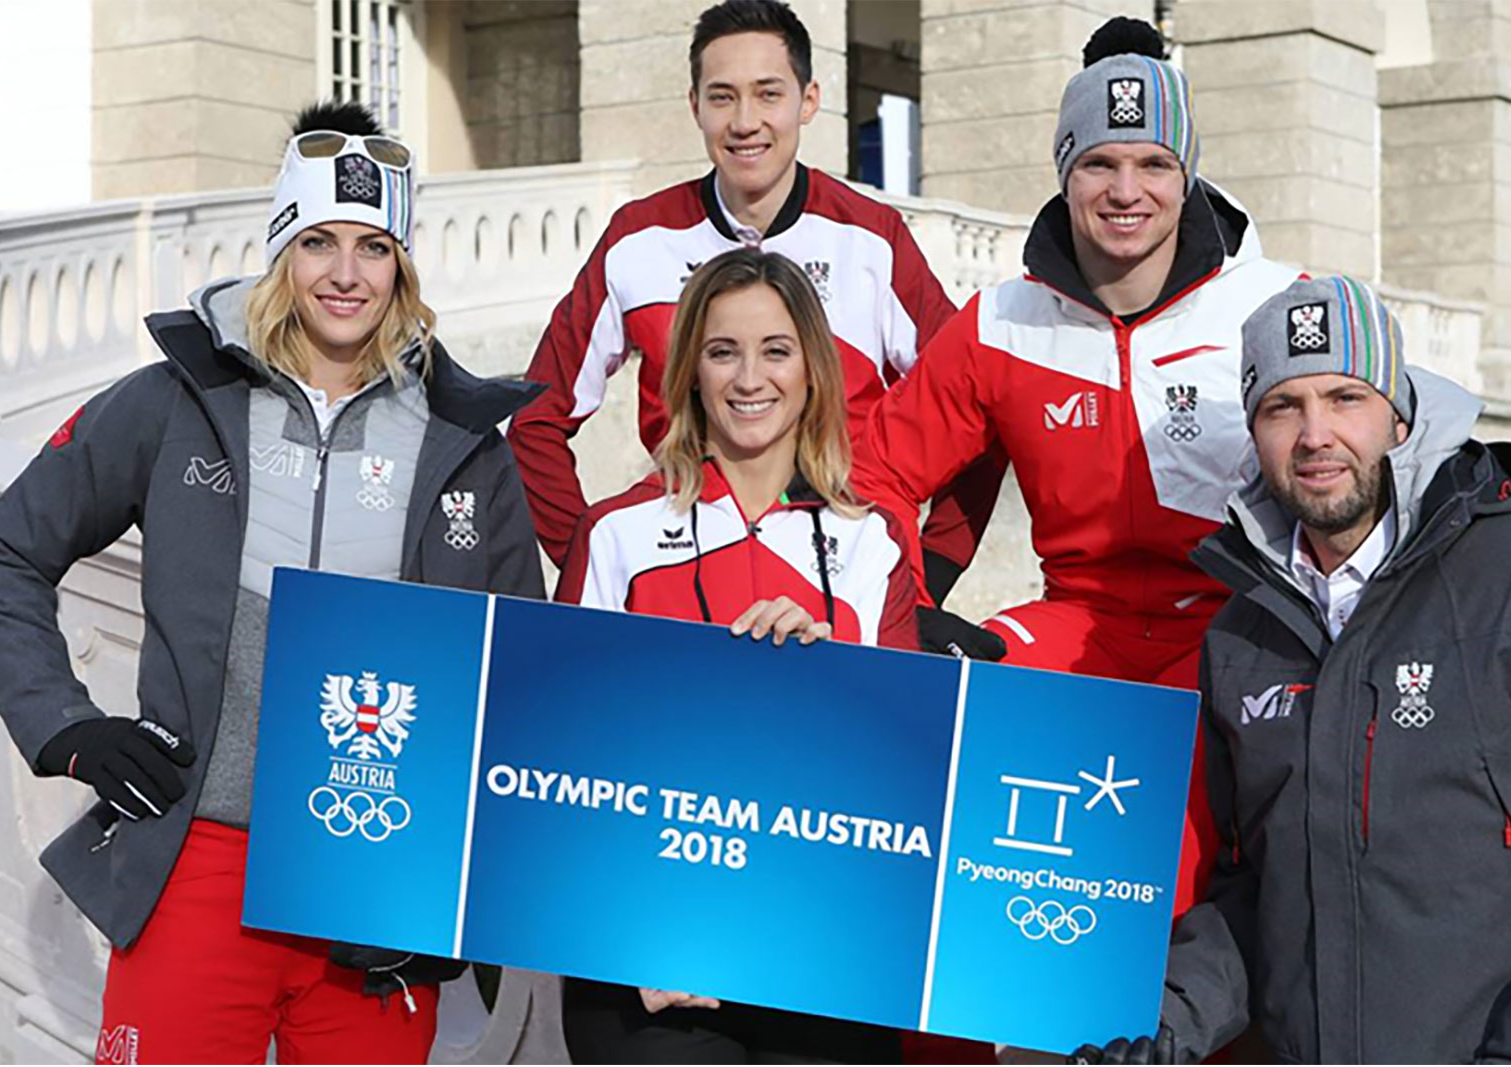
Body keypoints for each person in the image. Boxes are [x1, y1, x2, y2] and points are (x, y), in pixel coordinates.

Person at [0, 102, 546, 1065]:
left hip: (374, 881)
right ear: (282, 246)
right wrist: (66, 727)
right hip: (197, 852)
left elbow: (525, 679)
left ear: (403, 265)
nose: (345, 273)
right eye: (319, 240)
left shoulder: (465, 449)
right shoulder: (178, 401)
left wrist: (455, 875)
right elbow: (6, 550)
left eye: (373, 248)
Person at [1071, 277, 1511, 1065]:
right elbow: (1260, 892)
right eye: (1284, 407)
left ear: (1400, 416)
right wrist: (1158, 1022)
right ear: (1254, 429)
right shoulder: (1243, 639)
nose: (1316, 434)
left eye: (1346, 398)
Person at [849, 17, 1300, 913]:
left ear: (1189, 176)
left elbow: (1375, 455)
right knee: (935, 790)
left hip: (1232, 628)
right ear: (1064, 170)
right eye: (1099, 163)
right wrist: (906, 611)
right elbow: (874, 474)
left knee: (1159, 845)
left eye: (1154, 165)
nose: (1126, 191)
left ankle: (1160, 1036)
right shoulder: (1001, 320)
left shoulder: (1270, 306)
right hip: (1076, 617)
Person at [512, 0, 1005, 659]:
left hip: (838, 578)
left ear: (809, 99)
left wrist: (925, 578)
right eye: (722, 97)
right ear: (694, 105)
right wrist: (601, 555)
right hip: (682, 575)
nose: (745, 122)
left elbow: (980, 409)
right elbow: (534, 419)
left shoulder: (873, 240)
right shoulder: (639, 239)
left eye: (768, 94)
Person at [556, 247, 914, 1063]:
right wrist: (634, 933)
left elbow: (899, 767)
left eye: (776, 350)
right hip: (651, 958)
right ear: (688, 373)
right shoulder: (617, 533)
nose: (750, 377)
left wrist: (837, 685)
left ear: (814, 372)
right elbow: (562, 758)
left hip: (820, 953)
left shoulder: (872, 544)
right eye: (723, 351)